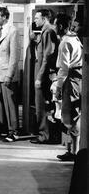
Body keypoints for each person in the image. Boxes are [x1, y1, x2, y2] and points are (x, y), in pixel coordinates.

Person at [50, 13, 83, 161]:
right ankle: (73, 150)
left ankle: (74, 151)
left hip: (71, 79)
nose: (54, 27)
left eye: (56, 25)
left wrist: (58, 88)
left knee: (70, 115)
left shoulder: (65, 42)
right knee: (74, 115)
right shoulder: (75, 38)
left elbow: (64, 68)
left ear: (61, 26)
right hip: (78, 77)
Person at [0, 7, 21, 142]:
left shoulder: (12, 31)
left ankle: (13, 131)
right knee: (0, 104)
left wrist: (9, 75)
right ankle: (1, 129)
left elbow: (14, 56)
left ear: (4, 17)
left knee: (10, 105)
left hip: (7, 73)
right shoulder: (0, 31)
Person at [30, 9, 60, 144]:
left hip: (43, 73)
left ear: (45, 19)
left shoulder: (48, 32)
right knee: (44, 106)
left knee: (42, 106)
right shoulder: (46, 31)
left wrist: (39, 77)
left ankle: (44, 135)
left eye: (37, 18)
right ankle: (46, 134)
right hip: (43, 71)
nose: (35, 20)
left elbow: (47, 57)